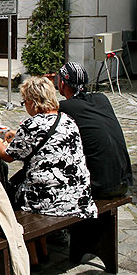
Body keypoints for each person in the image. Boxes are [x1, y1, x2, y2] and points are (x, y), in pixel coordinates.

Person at [0, 75, 97, 266]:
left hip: (51, 200)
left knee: (8, 194)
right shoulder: (67, 120)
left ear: (32, 101)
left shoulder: (33, 124)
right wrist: (16, 136)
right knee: (32, 185)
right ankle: (41, 251)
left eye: (24, 101)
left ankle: (31, 259)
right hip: (78, 195)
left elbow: (7, 155)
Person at [57, 62, 132, 199]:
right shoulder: (102, 99)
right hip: (123, 181)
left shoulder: (65, 108)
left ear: (62, 83)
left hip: (99, 186)